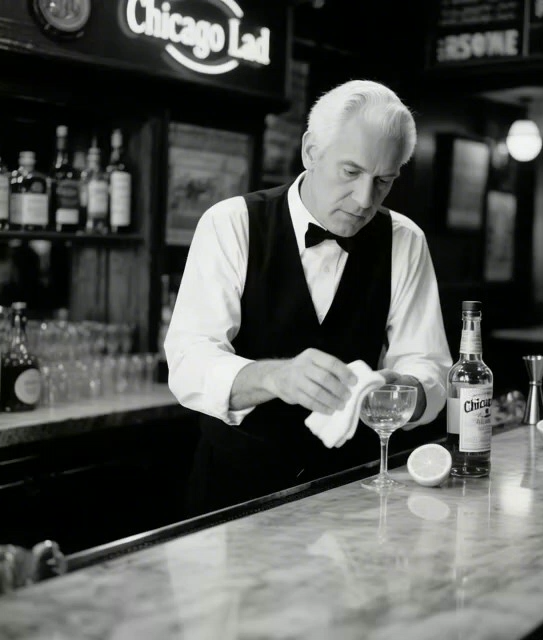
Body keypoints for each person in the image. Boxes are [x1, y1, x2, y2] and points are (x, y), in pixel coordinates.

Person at [165, 79, 452, 515]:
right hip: (234, 496)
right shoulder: (230, 223)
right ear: (311, 151)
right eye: (351, 172)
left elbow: (430, 369)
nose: (365, 199)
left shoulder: (405, 240)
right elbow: (189, 362)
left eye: (383, 181)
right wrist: (275, 377)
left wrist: (401, 389)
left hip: (352, 494)